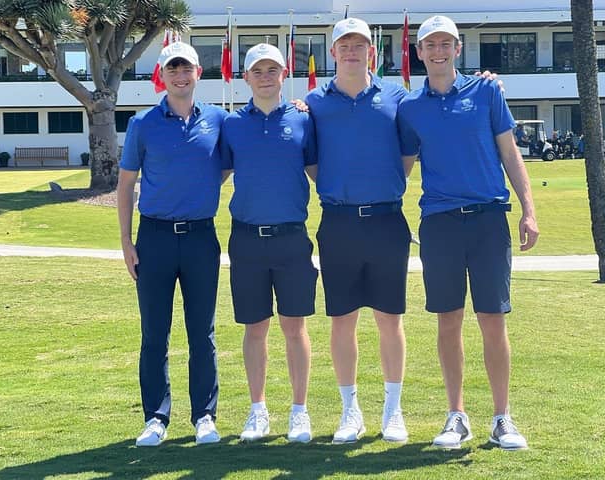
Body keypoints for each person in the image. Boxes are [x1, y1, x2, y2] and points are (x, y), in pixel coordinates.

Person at [397, 15, 539, 451]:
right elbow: (399, 171)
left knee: (493, 322)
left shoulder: (487, 91)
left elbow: (510, 154)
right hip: (439, 223)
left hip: (488, 219)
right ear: (418, 52)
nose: (438, 51)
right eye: (430, 44)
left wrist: (529, 211)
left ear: (457, 49)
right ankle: (456, 416)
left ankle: (502, 418)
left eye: (446, 43)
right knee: (448, 323)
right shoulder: (409, 108)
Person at [305, 18, 411, 444]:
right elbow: (312, 164)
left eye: (360, 44)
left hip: (387, 220)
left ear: (372, 50)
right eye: (344, 45)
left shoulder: (396, 97)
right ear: (333, 52)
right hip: (339, 222)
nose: (352, 51)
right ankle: (351, 411)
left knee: (390, 318)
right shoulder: (313, 102)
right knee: (342, 320)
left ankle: (393, 410)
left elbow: (406, 157)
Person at [117, 41, 228, 447]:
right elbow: (126, 184)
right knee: (155, 334)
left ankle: (204, 416)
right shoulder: (143, 124)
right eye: (173, 69)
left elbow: (228, 164)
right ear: (161, 76)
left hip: (201, 238)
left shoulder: (218, 119)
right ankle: (155, 418)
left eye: (188, 69)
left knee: (203, 333)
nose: (181, 75)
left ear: (199, 73)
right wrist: (127, 241)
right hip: (155, 238)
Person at [220, 43, 319, 443]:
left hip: (292, 238)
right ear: (246, 78)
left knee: (295, 328)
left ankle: (299, 411)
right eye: (257, 71)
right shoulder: (231, 125)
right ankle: (258, 410)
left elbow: (318, 171)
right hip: (246, 240)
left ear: (284, 74)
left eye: (272, 70)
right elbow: (214, 173)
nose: (265, 76)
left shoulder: (303, 121)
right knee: (255, 328)